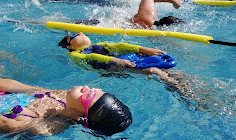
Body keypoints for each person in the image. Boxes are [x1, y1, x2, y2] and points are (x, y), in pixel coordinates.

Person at [0, 74, 132, 136]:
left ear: (81, 116)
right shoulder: (58, 97)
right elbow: (15, 86)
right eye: (95, 89)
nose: (85, 87)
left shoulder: (38, 126)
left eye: (88, 95)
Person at [58, 32, 192, 95]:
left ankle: (180, 80)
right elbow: (93, 57)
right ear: (70, 46)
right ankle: (181, 91)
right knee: (153, 71)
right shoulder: (75, 54)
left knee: (163, 69)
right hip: (111, 68)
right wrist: (116, 60)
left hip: (120, 62)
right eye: (74, 36)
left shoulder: (99, 45)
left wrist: (146, 50)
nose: (79, 32)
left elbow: (119, 45)